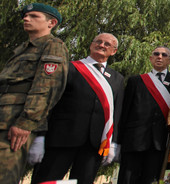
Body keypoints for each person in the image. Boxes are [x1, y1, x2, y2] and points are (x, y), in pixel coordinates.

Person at [31, 33, 125, 184]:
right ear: (91, 45)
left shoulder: (117, 78)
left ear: (114, 51)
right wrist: (39, 136)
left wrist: (113, 142)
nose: (101, 45)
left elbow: (117, 112)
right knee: (46, 180)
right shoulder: (68, 68)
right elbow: (49, 102)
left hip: (94, 144)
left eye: (107, 44)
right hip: (61, 138)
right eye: (98, 42)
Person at [0, 4, 68, 184]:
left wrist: (26, 122)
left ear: (51, 23)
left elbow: (46, 87)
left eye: (34, 16)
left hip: (15, 121)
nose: (26, 19)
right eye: (25, 16)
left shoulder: (53, 46)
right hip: (3, 116)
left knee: (4, 175)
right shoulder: (22, 48)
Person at [117, 46, 170, 184]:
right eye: (156, 54)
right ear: (151, 58)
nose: (159, 57)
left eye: (164, 55)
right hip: (133, 141)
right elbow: (124, 112)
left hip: (159, 142)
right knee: (127, 179)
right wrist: (118, 142)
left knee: (150, 180)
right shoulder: (136, 81)